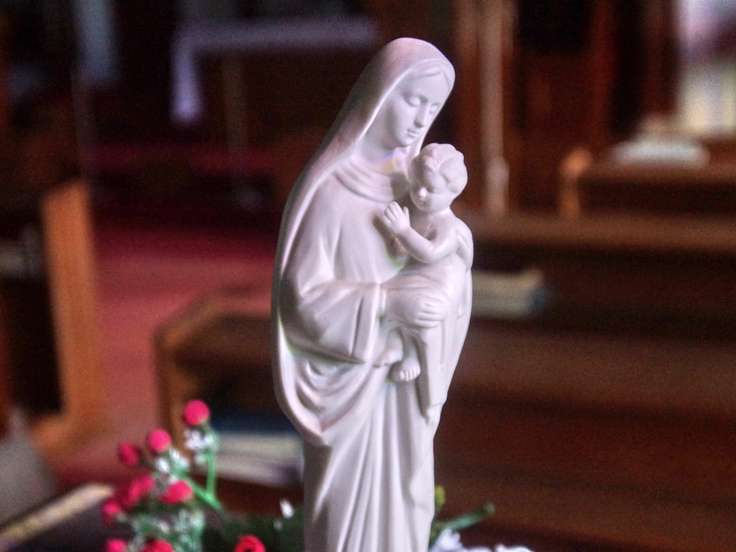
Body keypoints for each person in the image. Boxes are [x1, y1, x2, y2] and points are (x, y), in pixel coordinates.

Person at [272, 38, 472, 552]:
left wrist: (447, 281)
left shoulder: (421, 188)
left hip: (402, 390)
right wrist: (386, 302)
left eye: (432, 107)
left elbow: (449, 269)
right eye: (412, 100)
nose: (420, 118)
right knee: (344, 519)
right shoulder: (331, 191)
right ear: (378, 96)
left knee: (408, 499)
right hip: (351, 387)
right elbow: (301, 300)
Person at [377, 143, 473, 419]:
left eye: (430, 189)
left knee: (411, 303)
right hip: (416, 276)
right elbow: (402, 252)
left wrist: (403, 231)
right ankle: (401, 345)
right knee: (384, 296)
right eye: (417, 184)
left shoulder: (448, 226)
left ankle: (412, 355)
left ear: (453, 192)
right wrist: (397, 239)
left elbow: (429, 252)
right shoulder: (415, 213)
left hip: (439, 285)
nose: (420, 193)